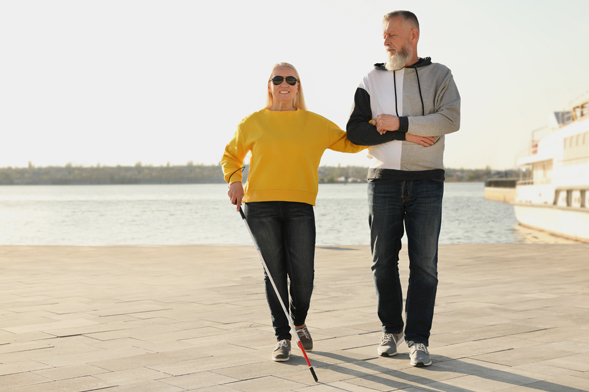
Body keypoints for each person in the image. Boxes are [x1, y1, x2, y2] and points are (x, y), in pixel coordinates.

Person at [221, 62, 433, 362]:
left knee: (303, 276)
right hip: (260, 207)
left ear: (298, 86)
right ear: (269, 85)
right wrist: (234, 181)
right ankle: (283, 337)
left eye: (291, 79)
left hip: (300, 207)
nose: (285, 83)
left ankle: (299, 321)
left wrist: (395, 132)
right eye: (278, 78)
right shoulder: (251, 123)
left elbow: (352, 141)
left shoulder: (314, 123)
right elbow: (230, 156)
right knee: (274, 275)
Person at [346, 11, 461, 367]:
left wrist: (400, 122)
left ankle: (418, 339)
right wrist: (404, 132)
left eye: (392, 35)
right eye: (384, 35)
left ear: (413, 35)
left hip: (428, 181)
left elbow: (450, 119)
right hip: (382, 181)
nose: (386, 41)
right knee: (382, 263)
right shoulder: (372, 77)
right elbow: (356, 131)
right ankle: (390, 328)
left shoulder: (440, 74)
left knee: (425, 265)